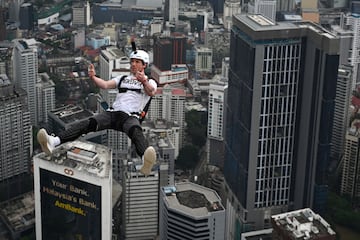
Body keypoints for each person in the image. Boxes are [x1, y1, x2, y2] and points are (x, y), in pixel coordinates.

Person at [37, 49, 157, 176]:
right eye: (132, 61)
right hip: (113, 113)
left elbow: (151, 92)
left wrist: (143, 81)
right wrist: (93, 77)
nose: (133, 64)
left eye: (137, 62)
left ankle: (145, 159)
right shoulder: (123, 78)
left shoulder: (149, 82)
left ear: (144, 65)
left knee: (135, 131)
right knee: (87, 124)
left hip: (130, 116)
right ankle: (54, 141)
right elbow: (105, 85)